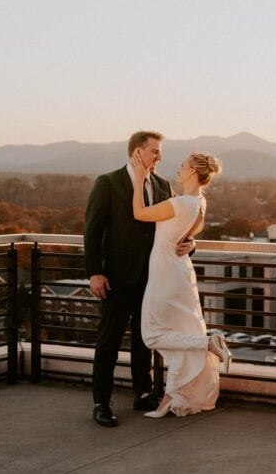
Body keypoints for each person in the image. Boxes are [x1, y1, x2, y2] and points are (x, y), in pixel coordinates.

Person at [83, 131, 194, 427]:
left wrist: (190, 243)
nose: (160, 157)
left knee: (145, 340)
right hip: (117, 278)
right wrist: (95, 272)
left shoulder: (162, 184)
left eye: (160, 152)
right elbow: (92, 232)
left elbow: (174, 225)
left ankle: (143, 392)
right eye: (155, 152)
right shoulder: (108, 183)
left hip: (153, 277)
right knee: (109, 341)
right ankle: (101, 403)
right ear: (137, 152)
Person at [131, 149, 228, 417]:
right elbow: (189, 233)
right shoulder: (198, 202)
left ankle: (207, 344)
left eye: (182, 165)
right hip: (181, 271)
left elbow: (139, 213)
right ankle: (171, 398)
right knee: (180, 332)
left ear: (193, 171)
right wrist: (192, 241)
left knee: (151, 333)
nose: (178, 169)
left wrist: (139, 178)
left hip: (165, 272)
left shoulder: (179, 203)